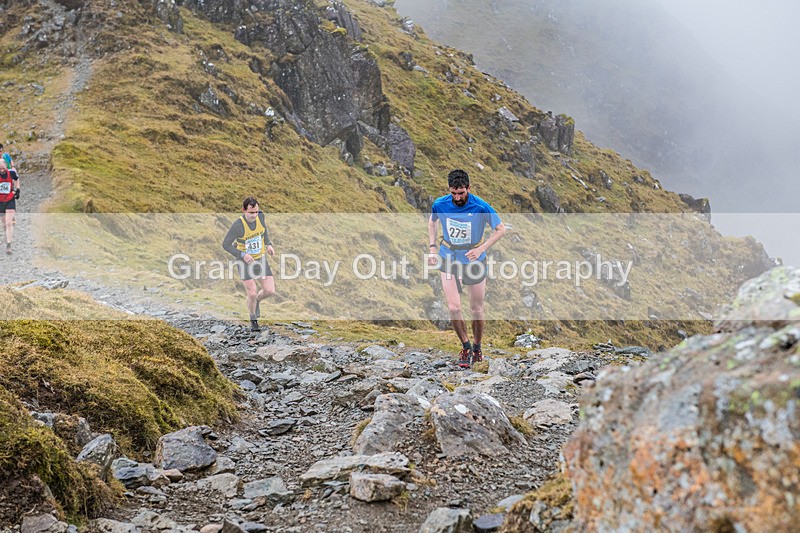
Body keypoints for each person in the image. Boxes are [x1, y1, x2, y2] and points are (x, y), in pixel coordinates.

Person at [428, 169, 506, 368]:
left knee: (476, 309)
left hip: (473, 260)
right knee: (454, 307)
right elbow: (433, 221)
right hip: (448, 257)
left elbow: (501, 229)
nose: (457, 197)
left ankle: (478, 347)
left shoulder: (480, 206)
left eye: (461, 193)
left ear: (468, 188)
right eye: (453, 193)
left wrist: (481, 248)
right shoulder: (440, 204)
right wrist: (432, 247)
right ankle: (465, 346)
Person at [222, 196, 276, 332]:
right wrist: (242, 254)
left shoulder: (261, 217)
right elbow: (226, 244)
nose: (254, 215)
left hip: (260, 259)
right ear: (244, 210)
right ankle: (253, 320)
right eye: (251, 212)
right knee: (251, 293)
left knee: (269, 290)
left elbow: (264, 231)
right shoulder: (238, 225)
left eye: (256, 212)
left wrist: (268, 244)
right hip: (244, 262)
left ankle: (257, 301)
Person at [0, 159, 20, 255]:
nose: (2, 170)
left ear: (6, 166)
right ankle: (7, 235)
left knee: (8, 223)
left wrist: (18, 189)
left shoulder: (11, 172)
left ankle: (9, 245)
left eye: (3, 168)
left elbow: (17, 178)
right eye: (0, 169)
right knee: (4, 224)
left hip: (10, 199)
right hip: (0, 201)